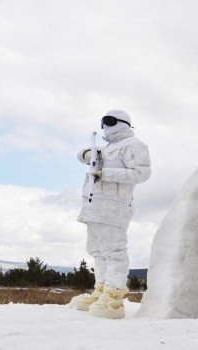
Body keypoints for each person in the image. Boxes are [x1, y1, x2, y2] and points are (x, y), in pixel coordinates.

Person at [71, 109, 151, 319]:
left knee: (113, 251)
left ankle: (114, 297)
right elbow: (81, 154)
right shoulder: (107, 148)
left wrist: (105, 173)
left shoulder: (133, 145)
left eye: (108, 121)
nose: (104, 126)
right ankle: (101, 291)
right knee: (97, 251)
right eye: (103, 121)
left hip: (114, 206)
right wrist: (89, 155)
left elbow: (142, 173)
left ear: (121, 123)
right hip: (94, 205)